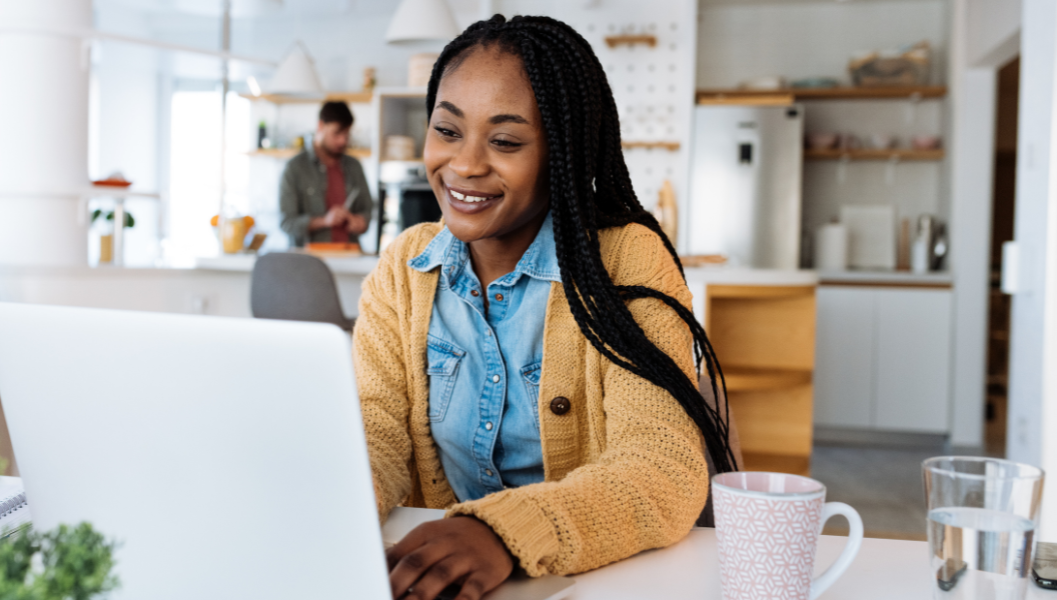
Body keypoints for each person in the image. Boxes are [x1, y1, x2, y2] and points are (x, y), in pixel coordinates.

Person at [352, 14, 737, 600]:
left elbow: (661, 469)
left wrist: (501, 533)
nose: (465, 165)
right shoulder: (404, 266)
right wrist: (324, 507)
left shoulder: (626, 260)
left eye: (505, 141)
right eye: (448, 130)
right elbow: (374, 436)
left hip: (591, 581)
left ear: (562, 152)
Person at [278, 101, 374, 247]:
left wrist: (361, 221)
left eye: (346, 134)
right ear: (320, 126)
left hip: (350, 256)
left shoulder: (354, 166)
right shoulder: (295, 168)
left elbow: (367, 211)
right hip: (310, 260)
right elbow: (286, 223)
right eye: (337, 133)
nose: (342, 141)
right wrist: (324, 220)